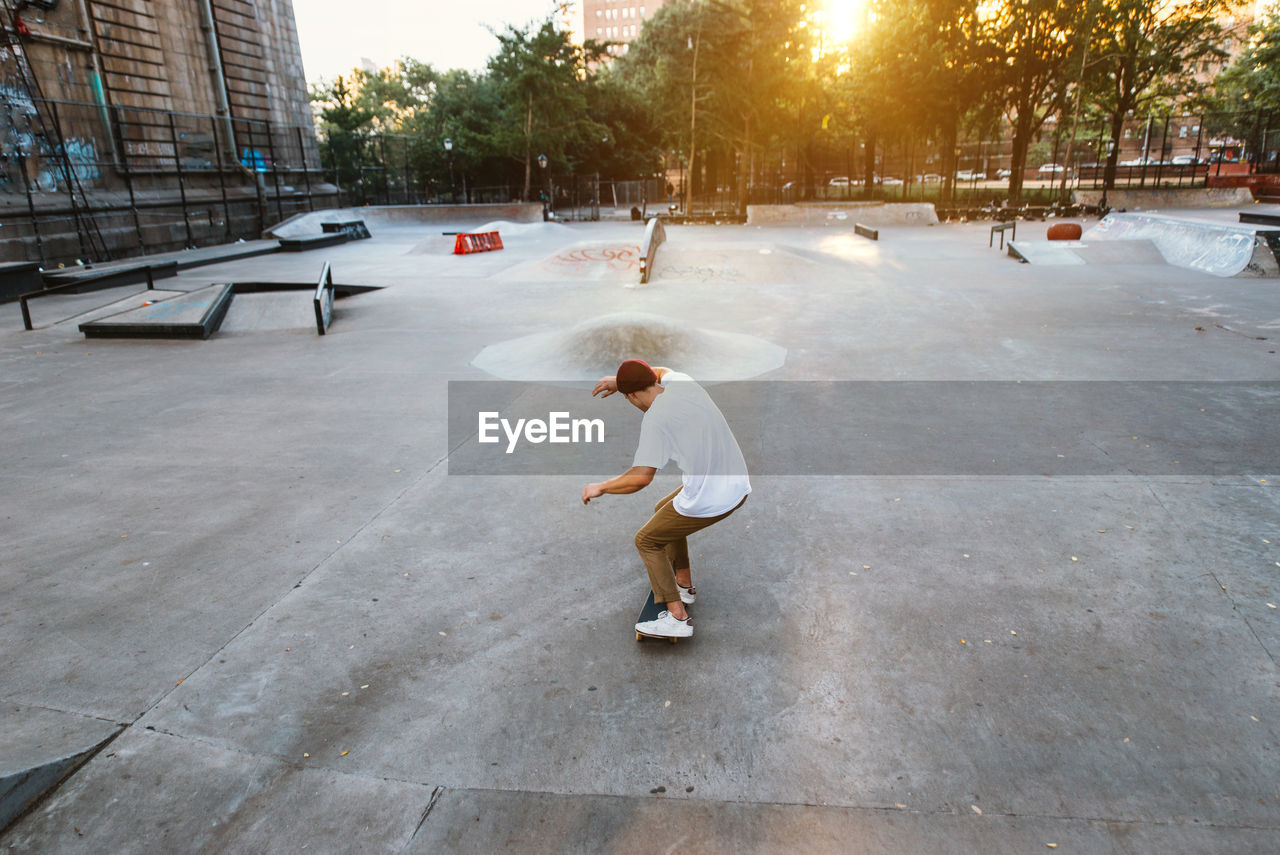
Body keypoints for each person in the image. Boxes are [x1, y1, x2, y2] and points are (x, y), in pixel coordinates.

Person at [581, 359, 750, 638]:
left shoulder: (656, 419)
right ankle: (683, 585)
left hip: (714, 495)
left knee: (646, 540)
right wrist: (619, 380)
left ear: (631, 396)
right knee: (664, 509)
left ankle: (676, 617)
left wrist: (603, 486)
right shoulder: (682, 383)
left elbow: (641, 477)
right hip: (733, 480)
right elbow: (660, 371)